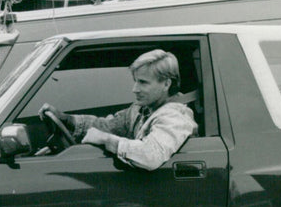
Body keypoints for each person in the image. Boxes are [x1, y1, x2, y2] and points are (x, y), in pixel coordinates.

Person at [39, 49, 198, 171]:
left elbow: (151, 156)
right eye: (135, 81)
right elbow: (109, 125)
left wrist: (106, 140)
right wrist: (67, 119)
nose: (134, 89)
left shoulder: (175, 116)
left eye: (143, 82)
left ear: (166, 84)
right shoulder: (143, 109)